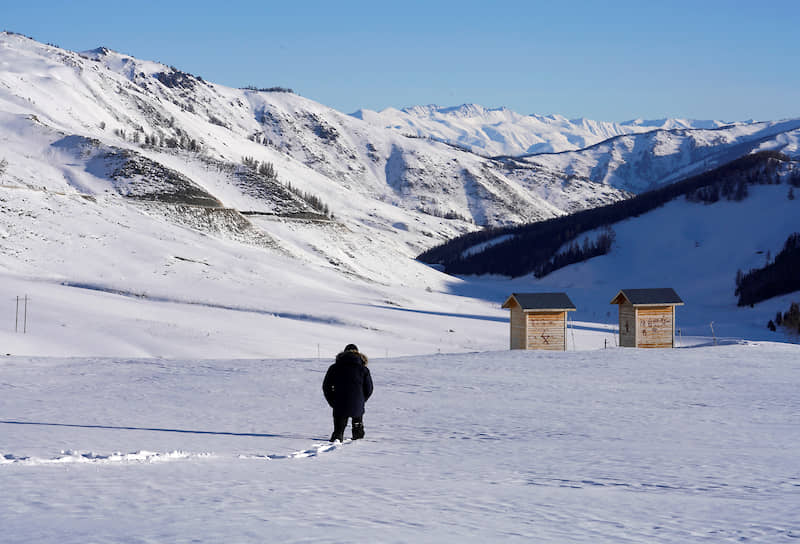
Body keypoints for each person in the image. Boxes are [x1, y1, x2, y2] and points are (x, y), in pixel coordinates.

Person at [322, 344, 373, 442]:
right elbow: (369, 388)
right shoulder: (363, 369)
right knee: (358, 430)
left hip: (339, 402)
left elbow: (326, 386)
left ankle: (337, 439)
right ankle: (358, 443)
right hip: (357, 402)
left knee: (338, 430)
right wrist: (362, 400)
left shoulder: (334, 367)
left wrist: (332, 401)